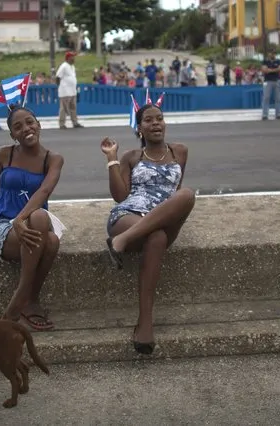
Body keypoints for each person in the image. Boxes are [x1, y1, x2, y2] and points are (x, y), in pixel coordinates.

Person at [100, 103, 196, 355]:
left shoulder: (180, 152)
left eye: (160, 119)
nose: (155, 123)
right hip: (129, 214)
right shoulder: (132, 157)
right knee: (156, 237)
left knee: (186, 194)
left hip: (161, 218)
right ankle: (145, 324)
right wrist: (112, 159)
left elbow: (175, 192)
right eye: (148, 120)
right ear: (139, 128)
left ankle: (120, 243)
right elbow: (120, 196)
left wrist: (165, 213)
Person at [0, 105, 65, 331]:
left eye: (30, 122)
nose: (26, 128)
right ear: (12, 135)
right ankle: (26, 301)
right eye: (18, 127)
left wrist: (21, 218)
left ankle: (23, 298)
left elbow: (44, 191)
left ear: (38, 124)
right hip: (3, 224)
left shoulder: (53, 159)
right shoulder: (5, 154)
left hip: (30, 222)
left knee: (41, 220)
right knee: (50, 239)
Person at [56, 51, 83, 129]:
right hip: (65, 91)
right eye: (72, 57)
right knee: (63, 108)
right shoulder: (64, 66)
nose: (74, 58)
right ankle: (62, 124)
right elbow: (58, 77)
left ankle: (75, 122)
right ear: (68, 58)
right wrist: (60, 87)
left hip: (72, 91)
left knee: (73, 107)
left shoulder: (72, 66)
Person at [261, 49, 280, 120]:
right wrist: (275, 69)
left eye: (274, 53)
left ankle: (278, 114)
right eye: (271, 53)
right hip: (268, 81)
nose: (273, 55)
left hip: (277, 81)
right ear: (269, 54)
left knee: (278, 98)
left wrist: (270, 70)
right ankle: (265, 115)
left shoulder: (278, 61)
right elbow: (264, 70)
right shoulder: (265, 61)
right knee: (266, 98)